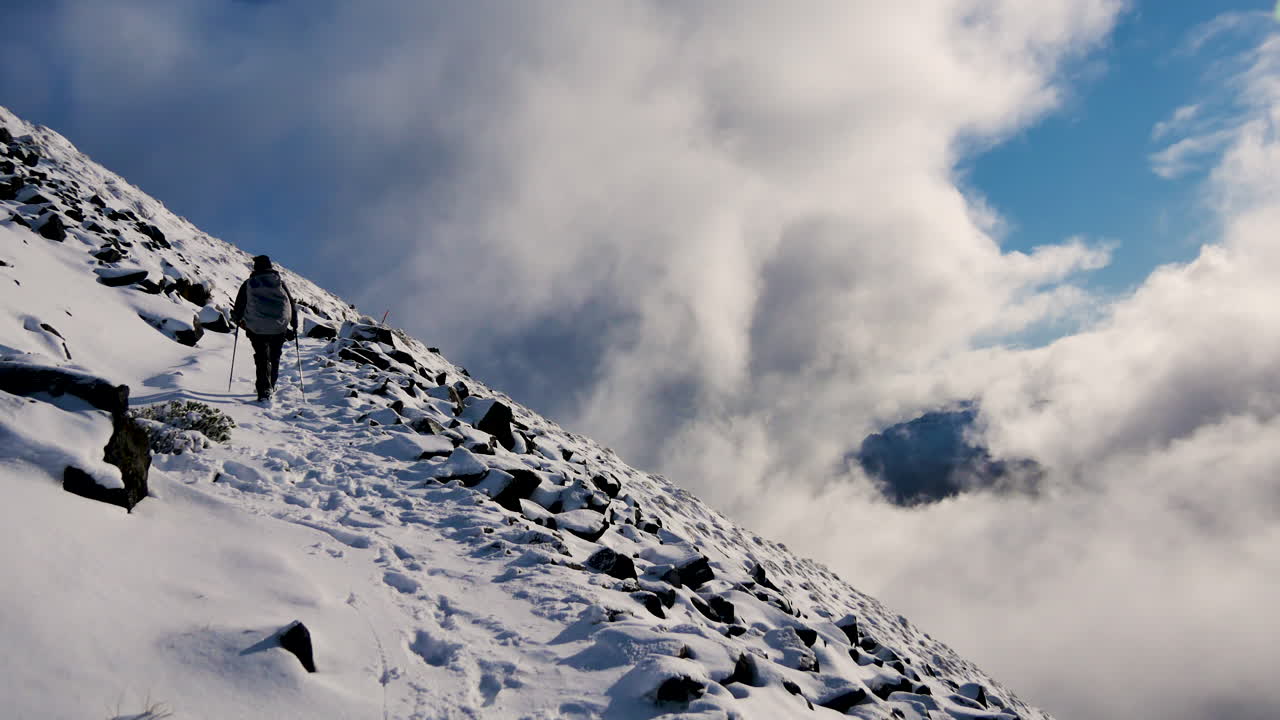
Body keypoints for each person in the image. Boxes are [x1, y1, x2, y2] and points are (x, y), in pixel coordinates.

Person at [231, 255, 298, 401]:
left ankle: (264, 390)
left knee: (262, 357)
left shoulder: (248, 283)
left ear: (256, 267)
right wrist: (294, 323)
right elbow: (291, 304)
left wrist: (237, 318)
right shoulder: (279, 283)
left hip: (256, 327)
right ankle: (272, 384)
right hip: (279, 327)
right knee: (275, 356)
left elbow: (240, 305)